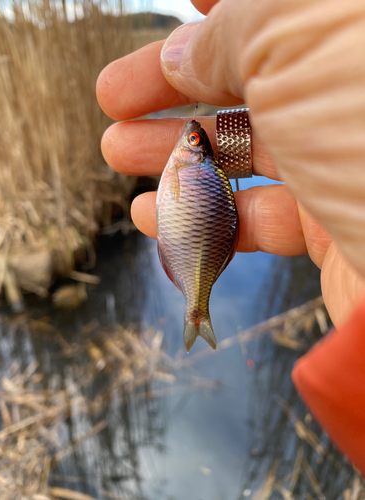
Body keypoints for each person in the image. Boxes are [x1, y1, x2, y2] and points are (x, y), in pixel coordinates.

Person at [96, 0, 365, 474]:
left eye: (193, 140)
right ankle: (196, 307)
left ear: (191, 151)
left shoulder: (186, 168)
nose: (189, 136)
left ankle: (195, 308)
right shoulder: (191, 166)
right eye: (193, 139)